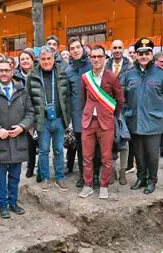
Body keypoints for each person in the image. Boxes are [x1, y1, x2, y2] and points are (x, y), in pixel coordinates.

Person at [0, 56, 35, 219]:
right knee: (1, 177)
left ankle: (13, 202)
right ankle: (3, 205)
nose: (4, 73)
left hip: (17, 140)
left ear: (12, 71)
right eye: (0, 70)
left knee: (15, 176)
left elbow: (30, 112)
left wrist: (22, 126)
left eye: (7, 70)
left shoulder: (21, 90)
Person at [121, 38, 163, 195]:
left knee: (152, 155)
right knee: (138, 153)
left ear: (152, 54)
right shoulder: (129, 74)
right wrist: (127, 113)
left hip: (153, 122)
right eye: (140, 53)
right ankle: (141, 178)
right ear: (136, 55)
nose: (144, 56)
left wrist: (158, 113)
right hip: (135, 120)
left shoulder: (162, 75)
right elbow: (122, 97)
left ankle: (152, 180)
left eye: (147, 53)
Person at [78, 45, 123, 200]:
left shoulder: (112, 77)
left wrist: (110, 114)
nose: (96, 59)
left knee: (106, 157)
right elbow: (83, 98)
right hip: (88, 121)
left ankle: (104, 186)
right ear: (90, 58)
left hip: (106, 122)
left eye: (99, 56)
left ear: (105, 58)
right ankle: (87, 185)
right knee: (87, 156)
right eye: (94, 57)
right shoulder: (85, 77)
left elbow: (120, 100)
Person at [26, 46, 72, 192]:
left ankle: (59, 177)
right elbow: (28, 99)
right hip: (42, 120)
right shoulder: (32, 75)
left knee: (59, 150)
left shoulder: (62, 73)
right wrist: (32, 122)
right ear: (38, 59)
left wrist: (67, 118)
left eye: (49, 58)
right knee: (44, 150)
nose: (46, 62)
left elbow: (67, 96)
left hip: (58, 119)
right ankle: (45, 177)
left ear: (53, 58)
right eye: (43, 59)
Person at [65, 38, 101, 189]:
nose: (75, 50)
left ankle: (96, 175)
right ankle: (83, 175)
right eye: (72, 48)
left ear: (83, 48)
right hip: (78, 115)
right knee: (81, 148)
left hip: (95, 114)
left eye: (77, 47)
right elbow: (67, 95)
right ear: (69, 52)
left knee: (96, 147)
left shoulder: (92, 66)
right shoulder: (68, 71)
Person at [109, 40, 133, 184]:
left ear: (123, 49)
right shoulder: (106, 65)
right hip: (108, 110)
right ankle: (112, 169)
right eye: (114, 48)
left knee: (124, 140)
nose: (117, 50)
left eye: (119, 48)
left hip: (124, 109)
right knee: (110, 140)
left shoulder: (130, 68)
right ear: (111, 50)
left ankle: (123, 171)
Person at [15, 49, 38, 179]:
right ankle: (30, 167)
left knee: (41, 142)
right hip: (24, 113)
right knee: (30, 143)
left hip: (38, 111)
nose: (25, 61)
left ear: (33, 60)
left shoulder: (38, 73)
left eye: (27, 58)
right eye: (22, 59)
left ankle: (41, 168)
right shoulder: (16, 77)